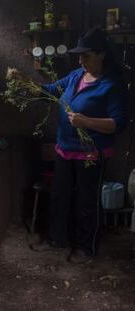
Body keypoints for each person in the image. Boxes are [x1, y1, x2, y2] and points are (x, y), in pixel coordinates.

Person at [32, 27, 128, 263]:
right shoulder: (76, 75)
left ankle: (87, 247)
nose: (81, 60)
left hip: (91, 153)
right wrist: (29, 87)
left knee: (87, 201)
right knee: (60, 196)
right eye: (79, 55)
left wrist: (87, 122)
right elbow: (54, 90)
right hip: (65, 149)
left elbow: (118, 123)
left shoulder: (112, 85)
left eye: (86, 55)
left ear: (101, 55)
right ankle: (58, 240)